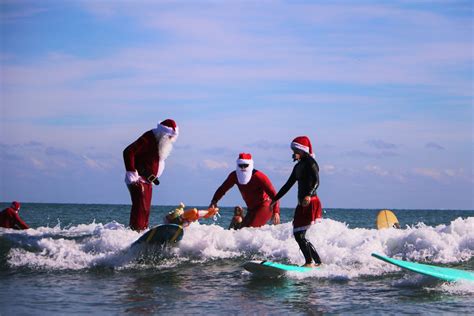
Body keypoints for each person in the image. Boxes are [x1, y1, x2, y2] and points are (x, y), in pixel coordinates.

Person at [270, 136, 323, 267]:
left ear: (303, 150)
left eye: (296, 150)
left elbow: (317, 181)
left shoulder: (311, 163)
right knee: (299, 235)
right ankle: (317, 262)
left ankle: (309, 262)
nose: (293, 153)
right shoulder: (297, 167)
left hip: (310, 202)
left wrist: (309, 195)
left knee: (300, 235)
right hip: (301, 204)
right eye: (293, 150)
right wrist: (274, 200)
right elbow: (288, 185)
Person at [123, 119, 179, 231]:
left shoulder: (159, 141)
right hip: (138, 180)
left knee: (145, 210)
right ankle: (135, 232)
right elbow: (128, 152)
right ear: (163, 133)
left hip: (148, 181)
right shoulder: (148, 138)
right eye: (170, 137)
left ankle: (142, 232)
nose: (171, 140)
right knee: (140, 209)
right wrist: (131, 172)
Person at [210, 153, 280, 228]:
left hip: (265, 206)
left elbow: (274, 195)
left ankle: (241, 218)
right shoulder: (234, 176)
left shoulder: (259, 176)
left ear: (250, 165)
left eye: (245, 165)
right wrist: (214, 201)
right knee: (239, 230)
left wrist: (276, 212)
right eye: (241, 165)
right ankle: (239, 219)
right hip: (251, 209)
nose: (243, 168)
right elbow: (223, 188)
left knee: (248, 230)